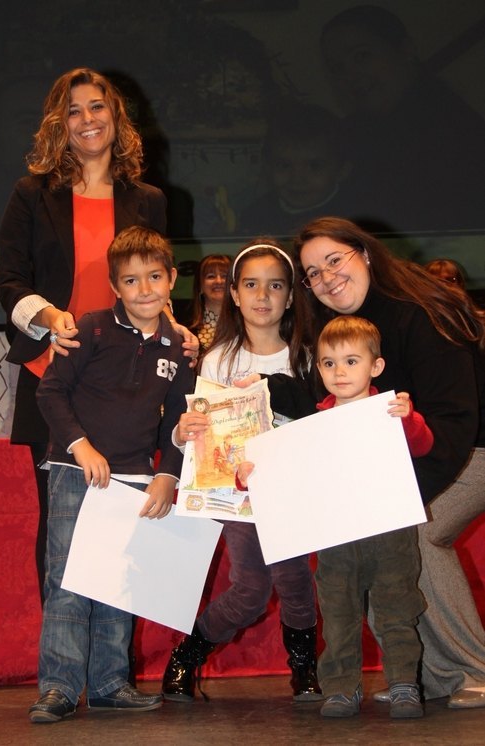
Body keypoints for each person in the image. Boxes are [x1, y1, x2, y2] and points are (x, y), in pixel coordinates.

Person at [260, 216, 485, 709]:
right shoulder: (342, 330)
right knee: (378, 545)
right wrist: (258, 391)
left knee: (413, 532)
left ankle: (472, 670)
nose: (326, 278)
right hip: (400, 464)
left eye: (333, 260)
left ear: (363, 253)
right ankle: (421, 677)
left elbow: (455, 422)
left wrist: (402, 498)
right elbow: (320, 401)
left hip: (467, 451)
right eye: (312, 273)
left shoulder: (417, 314)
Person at [0, 67, 197, 602]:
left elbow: (153, 279)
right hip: (54, 373)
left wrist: (174, 329)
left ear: (115, 116)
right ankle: (61, 652)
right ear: (58, 124)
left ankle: (111, 650)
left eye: (97, 106)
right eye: (74, 110)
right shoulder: (31, 195)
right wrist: (48, 318)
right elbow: (9, 280)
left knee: (121, 521)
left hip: (129, 382)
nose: (87, 119)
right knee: (60, 523)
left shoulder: (148, 198)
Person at [28, 225, 194, 723]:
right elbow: (49, 392)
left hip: (135, 478)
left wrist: (168, 474)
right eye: (130, 280)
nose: (144, 289)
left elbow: (181, 418)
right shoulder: (91, 329)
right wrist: (80, 446)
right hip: (75, 471)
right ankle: (58, 687)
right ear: (114, 286)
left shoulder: (178, 347)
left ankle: (108, 684)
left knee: (117, 581)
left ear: (172, 279)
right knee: (68, 579)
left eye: (155, 277)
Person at [238, 314, 433, 718]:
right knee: (338, 616)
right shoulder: (313, 425)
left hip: (390, 533)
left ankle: (403, 683)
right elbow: (285, 471)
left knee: (397, 610)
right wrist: (249, 476)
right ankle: (342, 688)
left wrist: (409, 419)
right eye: (329, 363)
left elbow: (422, 445)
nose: (339, 372)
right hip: (335, 540)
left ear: (376, 366)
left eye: (351, 361)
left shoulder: (391, 412)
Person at [161, 241, 321, 703]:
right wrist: (183, 432)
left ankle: (304, 669)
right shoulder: (219, 360)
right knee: (251, 589)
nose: (262, 296)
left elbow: (318, 420)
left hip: (290, 491)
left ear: (290, 296)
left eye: (275, 286)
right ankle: (186, 656)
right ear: (233, 293)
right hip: (239, 495)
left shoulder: (306, 356)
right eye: (251, 284)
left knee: (296, 582)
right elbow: (201, 428)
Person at [318, 5, 485, 232]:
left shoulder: (456, 132)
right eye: (338, 68)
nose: (351, 75)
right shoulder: (345, 138)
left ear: (406, 50)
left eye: (361, 56)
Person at [238, 102, 355, 237]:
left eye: (314, 166)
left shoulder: (353, 218)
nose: (297, 179)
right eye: (284, 165)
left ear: (342, 170)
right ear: (268, 168)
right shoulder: (256, 215)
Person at [189, 254, 231, 350]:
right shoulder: (186, 326)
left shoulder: (246, 322)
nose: (219, 281)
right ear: (200, 285)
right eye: (211, 276)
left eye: (224, 276)